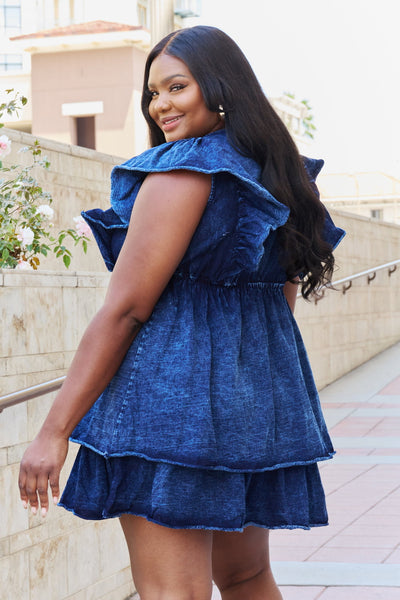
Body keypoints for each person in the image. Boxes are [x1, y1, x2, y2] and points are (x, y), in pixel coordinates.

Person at [18, 25, 345, 600]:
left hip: (168, 408)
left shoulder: (182, 174)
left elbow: (126, 310)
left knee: (176, 592)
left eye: (177, 87)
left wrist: (53, 431)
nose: (160, 105)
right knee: (247, 577)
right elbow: (281, 299)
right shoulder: (284, 177)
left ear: (221, 87)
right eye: (153, 93)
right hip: (255, 404)